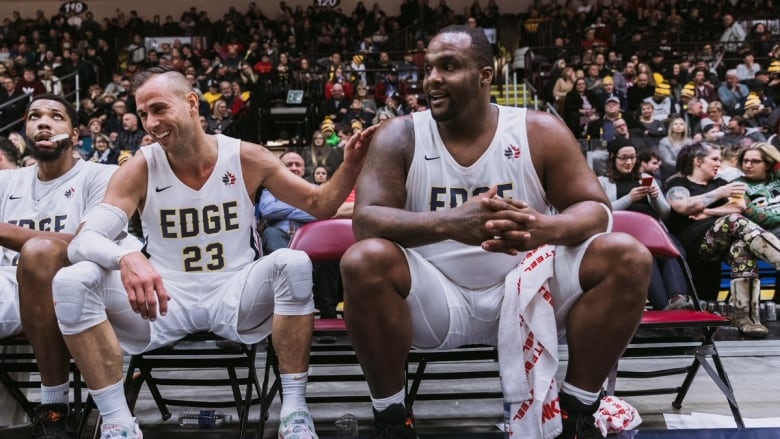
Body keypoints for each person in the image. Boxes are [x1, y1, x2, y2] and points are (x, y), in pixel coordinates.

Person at [340, 25, 651, 439]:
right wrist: (450, 223)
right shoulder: (400, 134)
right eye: (429, 68)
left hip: (528, 287)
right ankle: (392, 419)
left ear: (486, 75)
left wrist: (545, 228)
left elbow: (596, 211)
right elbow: (367, 222)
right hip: (435, 298)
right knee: (363, 260)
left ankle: (577, 413)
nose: (432, 78)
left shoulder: (538, 130)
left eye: (448, 67)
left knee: (628, 255)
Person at [51, 66, 375, 439]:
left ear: (191, 103)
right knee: (72, 281)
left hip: (235, 292)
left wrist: (350, 166)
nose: (150, 123)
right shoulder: (140, 167)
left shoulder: (245, 156)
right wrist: (126, 256)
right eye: (143, 115)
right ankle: (119, 424)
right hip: (165, 297)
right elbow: (83, 241)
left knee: (293, 261)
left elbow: (319, 204)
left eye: (158, 109)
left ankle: (295, 412)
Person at [0, 94, 121, 438]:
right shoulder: (6, 182)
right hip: (10, 286)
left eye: (55, 116)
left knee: (39, 252)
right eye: (34, 116)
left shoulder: (101, 176)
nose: (43, 122)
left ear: (74, 131)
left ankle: (54, 403)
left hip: (78, 285)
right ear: (25, 130)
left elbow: (86, 241)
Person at [665, 142, 780, 337]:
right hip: (693, 244)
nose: (719, 163)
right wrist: (719, 194)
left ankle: (747, 320)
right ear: (698, 161)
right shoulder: (678, 183)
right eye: (714, 159)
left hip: (723, 241)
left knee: (741, 247)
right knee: (734, 221)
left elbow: (739, 207)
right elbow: (682, 206)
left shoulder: (720, 183)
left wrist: (707, 210)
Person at [598, 138, 689, 310]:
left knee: (672, 251)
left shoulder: (646, 178)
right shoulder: (603, 182)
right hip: (625, 235)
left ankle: (677, 298)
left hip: (654, 230)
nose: (629, 162)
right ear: (612, 158)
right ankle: (663, 304)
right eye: (624, 158)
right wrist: (629, 199)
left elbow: (665, 213)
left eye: (632, 157)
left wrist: (654, 197)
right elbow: (603, 211)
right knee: (647, 257)